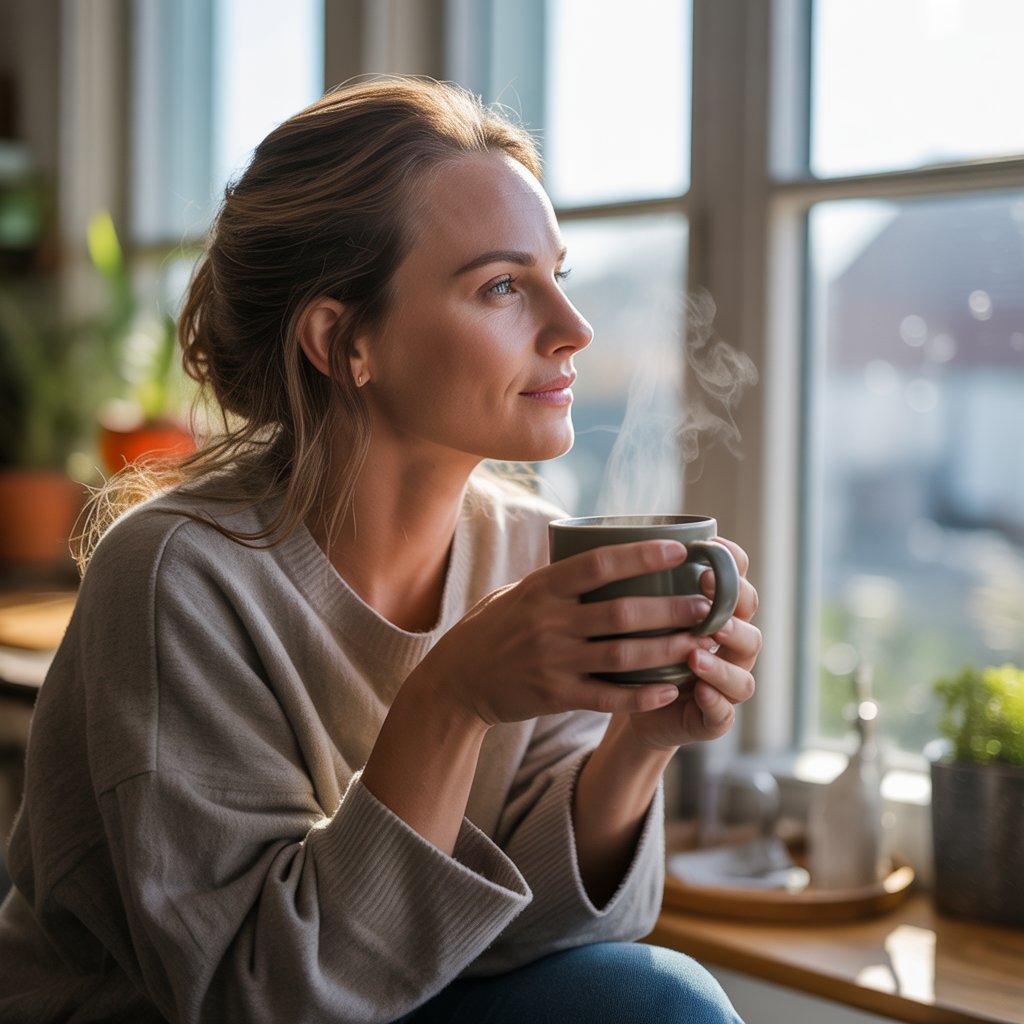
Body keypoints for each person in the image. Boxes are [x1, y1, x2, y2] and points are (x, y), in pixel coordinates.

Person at [0, 77, 761, 1023]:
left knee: (656, 999)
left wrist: (639, 743)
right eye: (501, 286)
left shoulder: (527, 545)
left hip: (399, 997)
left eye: (556, 275)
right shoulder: (177, 576)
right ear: (343, 339)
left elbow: (532, 938)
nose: (573, 330)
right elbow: (259, 1000)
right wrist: (450, 699)